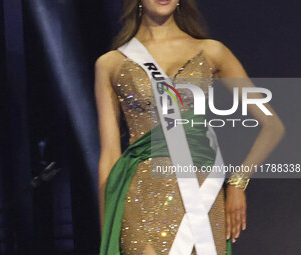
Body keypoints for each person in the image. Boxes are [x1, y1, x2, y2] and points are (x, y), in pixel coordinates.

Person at [94, 0, 285, 254]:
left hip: (202, 193)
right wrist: (107, 228)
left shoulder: (211, 51)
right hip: (140, 197)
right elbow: (109, 155)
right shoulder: (110, 64)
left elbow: (273, 126)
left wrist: (238, 183)